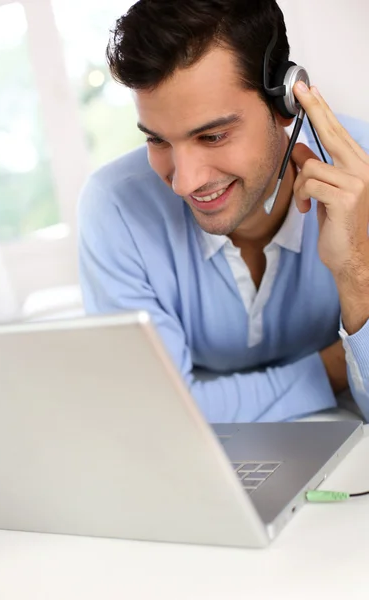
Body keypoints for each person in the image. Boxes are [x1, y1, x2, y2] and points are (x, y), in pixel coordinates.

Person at [78, 0, 369, 423]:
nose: (183, 182)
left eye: (212, 136)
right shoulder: (115, 206)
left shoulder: (361, 173)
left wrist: (357, 275)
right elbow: (153, 415)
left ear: (284, 104)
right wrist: (334, 369)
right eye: (158, 140)